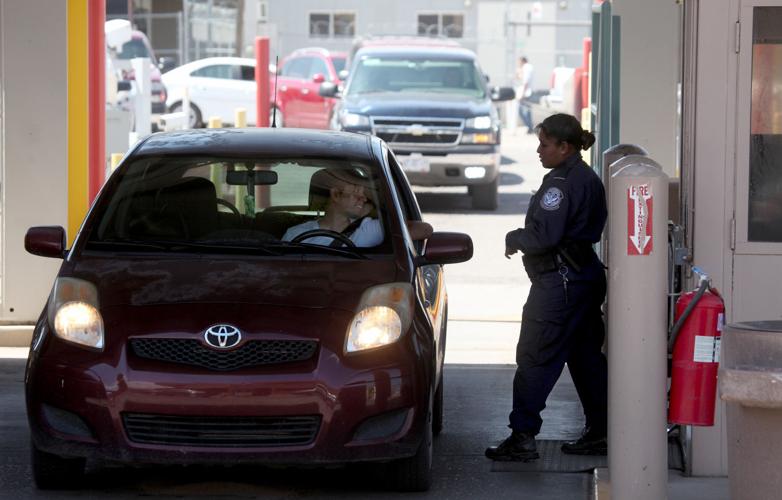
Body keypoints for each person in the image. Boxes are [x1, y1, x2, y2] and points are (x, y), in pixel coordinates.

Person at [485, 113, 608, 462]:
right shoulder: (586, 176)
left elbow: (545, 237)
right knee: (586, 360)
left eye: (544, 144)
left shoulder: (561, 183)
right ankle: (601, 431)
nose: (538, 150)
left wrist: (515, 238)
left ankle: (522, 436)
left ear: (564, 146)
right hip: (582, 278)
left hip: (559, 286)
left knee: (535, 358)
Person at [282, 169, 384, 247]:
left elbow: (390, 199)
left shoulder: (369, 229)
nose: (364, 199)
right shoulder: (295, 234)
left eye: (364, 193)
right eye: (356, 192)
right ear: (335, 195)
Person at [516, 56, 535, 134]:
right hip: (529, 91)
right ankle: (530, 127)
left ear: (522, 61)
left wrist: (522, 93)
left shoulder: (526, 67)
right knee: (528, 111)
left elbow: (525, 81)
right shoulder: (529, 67)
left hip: (526, 92)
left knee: (521, 110)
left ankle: (530, 126)